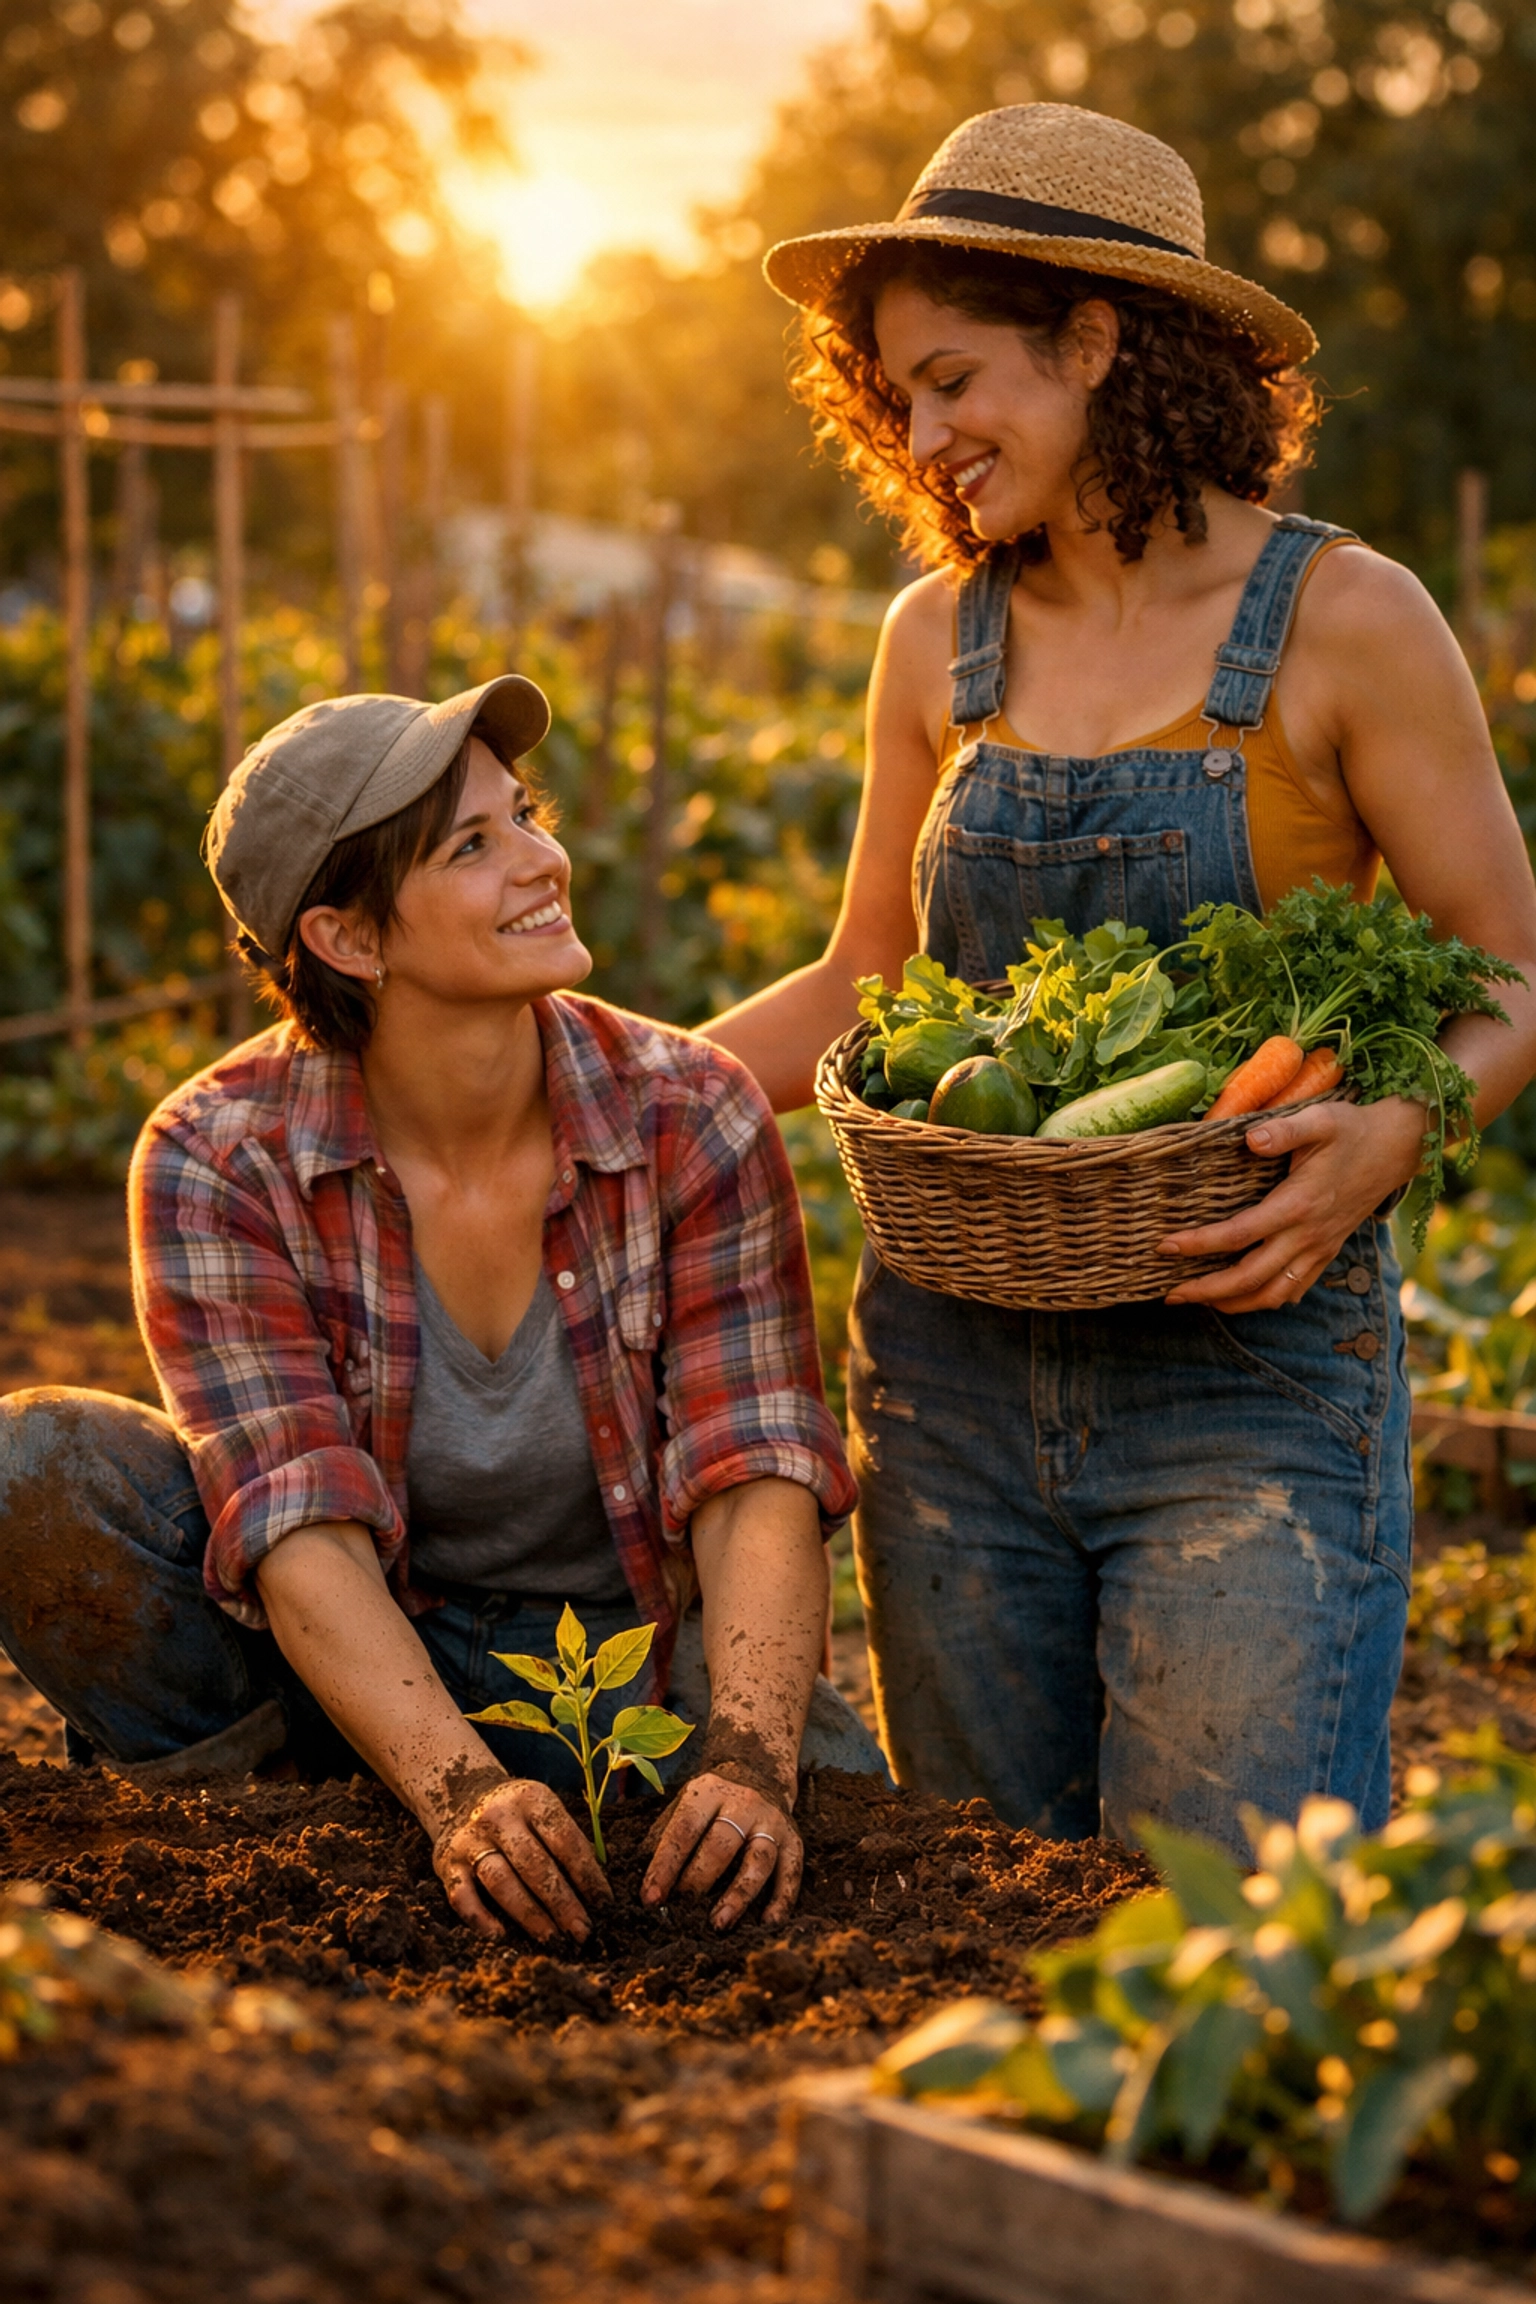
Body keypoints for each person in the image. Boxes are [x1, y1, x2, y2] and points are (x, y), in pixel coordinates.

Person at [700, 103, 1536, 1854]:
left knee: (1220, 1931)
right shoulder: (937, 637)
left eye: (953, 379)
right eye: (896, 398)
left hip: (1246, 1377)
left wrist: (1393, 1126)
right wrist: (616, 1078)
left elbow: (1512, 973)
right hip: (948, 1375)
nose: (923, 437)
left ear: (1095, 340)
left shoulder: (1344, 621)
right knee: (985, 1918)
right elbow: (871, 972)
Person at [0, 675, 879, 1942]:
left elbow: (756, 1474)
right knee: (38, 1469)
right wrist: (457, 1790)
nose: (544, 861)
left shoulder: (692, 1111)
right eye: (476, 846)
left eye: (525, 815)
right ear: (350, 940)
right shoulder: (219, 1157)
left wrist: (747, 1762)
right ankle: (282, 1838)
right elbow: (298, 1520)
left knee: (853, 1840)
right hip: (369, 1645)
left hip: (635, 1656)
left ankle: (609, 1795)